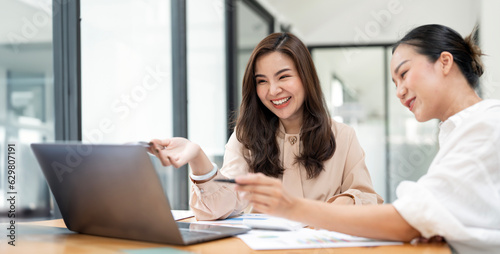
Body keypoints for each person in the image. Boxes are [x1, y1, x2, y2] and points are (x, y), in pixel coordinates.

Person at [234, 24, 500, 254]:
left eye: (404, 73)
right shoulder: (457, 131)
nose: (399, 92)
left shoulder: (485, 125)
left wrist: (293, 208)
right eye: (395, 83)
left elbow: (410, 219)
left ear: (444, 62)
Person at [149, 32, 383, 221]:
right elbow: (216, 209)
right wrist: (197, 157)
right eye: (262, 81)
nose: (272, 91)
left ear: (305, 77)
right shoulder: (245, 139)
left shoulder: (342, 136)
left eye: (283, 77)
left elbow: (368, 199)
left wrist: (340, 205)